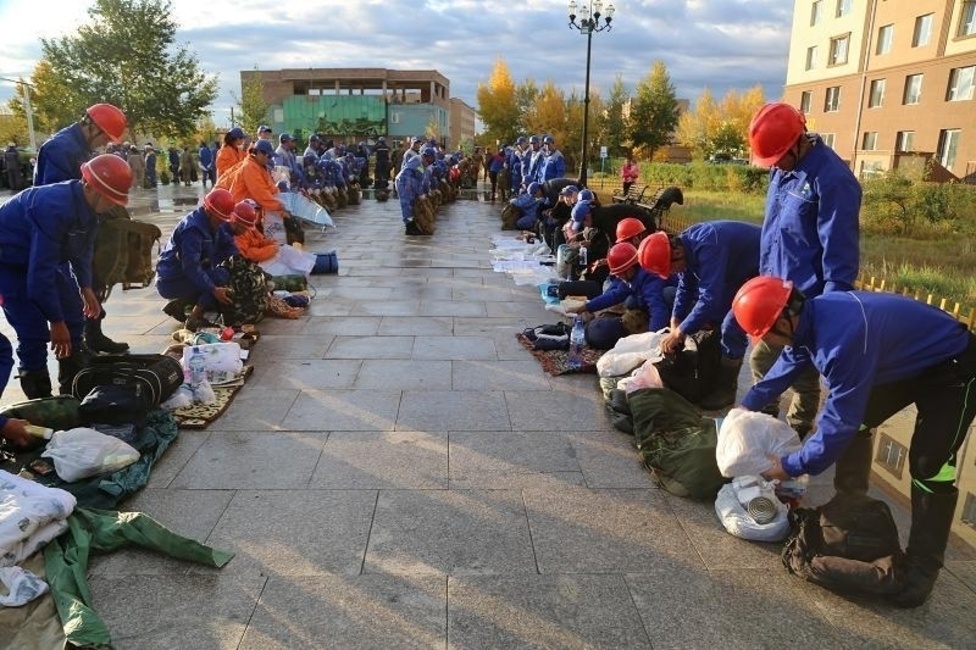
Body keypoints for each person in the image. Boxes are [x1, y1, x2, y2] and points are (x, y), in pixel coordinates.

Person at [732, 276, 976, 608]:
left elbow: (838, 423)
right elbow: (789, 362)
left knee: (929, 466)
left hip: (954, 366)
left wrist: (789, 466)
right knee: (859, 424)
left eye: (766, 334)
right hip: (909, 362)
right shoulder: (809, 319)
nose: (766, 342)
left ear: (784, 321)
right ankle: (851, 508)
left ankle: (922, 570)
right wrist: (745, 408)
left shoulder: (840, 341)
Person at [746, 102, 862, 440]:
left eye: (778, 157)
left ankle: (793, 433)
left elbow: (840, 255)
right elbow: (774, 233)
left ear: (798, 142)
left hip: (804, 300)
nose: (774, 165)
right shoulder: (782, 170)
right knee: (773, 364)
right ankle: (766, 427)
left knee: (791, 372)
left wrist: (829, 313)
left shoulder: (833, 180)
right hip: (772, 291)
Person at [0, 154, 133, 398]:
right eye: (110, 198)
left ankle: (72, 390)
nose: (113, 205)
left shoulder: (90, 208)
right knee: (32, 329)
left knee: (74, 312)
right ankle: (40, 400)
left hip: (41, 258)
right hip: (7, 264)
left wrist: (85, 286)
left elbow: (83, 247)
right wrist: (55, 321)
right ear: (90, 187)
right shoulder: (53, 208)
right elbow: (39, 278)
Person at [32, 102, 131, 356]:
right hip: (58, 228)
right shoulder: (59, 148)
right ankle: (74, 348)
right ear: (93, 128)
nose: (104, 144)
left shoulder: (80, 147)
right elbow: (57, 193)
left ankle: (91, 334)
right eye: (105, 137)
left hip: (77, 223)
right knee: (68, 287)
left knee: (91, 278)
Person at [638, 221, 761, 410]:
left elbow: (710, 297)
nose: (672, 273)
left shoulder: (709, 246)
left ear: (676, 253)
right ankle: (716, 373)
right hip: (737, 270)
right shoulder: (683, 246)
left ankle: (727, 389)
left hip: (763, 267)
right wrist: (675, 320)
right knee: (713, 317)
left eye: (670, 269)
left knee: (731, 324)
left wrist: (680, 331)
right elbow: (685, 287)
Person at [155, 188, 243, 330]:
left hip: (183, 275)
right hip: (170, 280)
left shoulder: (214, 223)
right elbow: (191, 267)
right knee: (219, 276)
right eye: (220, 218)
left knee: (226, 271)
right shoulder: (193, 230)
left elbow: (228, 246)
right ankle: (194, 317)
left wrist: (241, 263)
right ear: (209, 211)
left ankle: (181, 304)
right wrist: (214, 289)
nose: (222, 222)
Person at [566, 242, 676, 349]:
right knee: (631, 301)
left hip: (674, 303)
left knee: (666, 294)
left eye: (620, 273)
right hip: (655, 304)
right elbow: (614, 295)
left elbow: (658, 309)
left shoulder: (650, 278)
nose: (618, 277)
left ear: (629, 268)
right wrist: (586, 306)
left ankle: (672, 327)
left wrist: (652, 339)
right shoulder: (632, 276)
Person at [395, 155, 425, 236]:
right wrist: (407, 183)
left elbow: (419, 181)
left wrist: (420, 193)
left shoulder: (423, 166)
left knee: (411, 204)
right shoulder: (417, 161)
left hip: (411, 185)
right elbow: (407, 171)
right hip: (404, 183)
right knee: (406, 204)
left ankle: (412, 224)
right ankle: (409, 226)